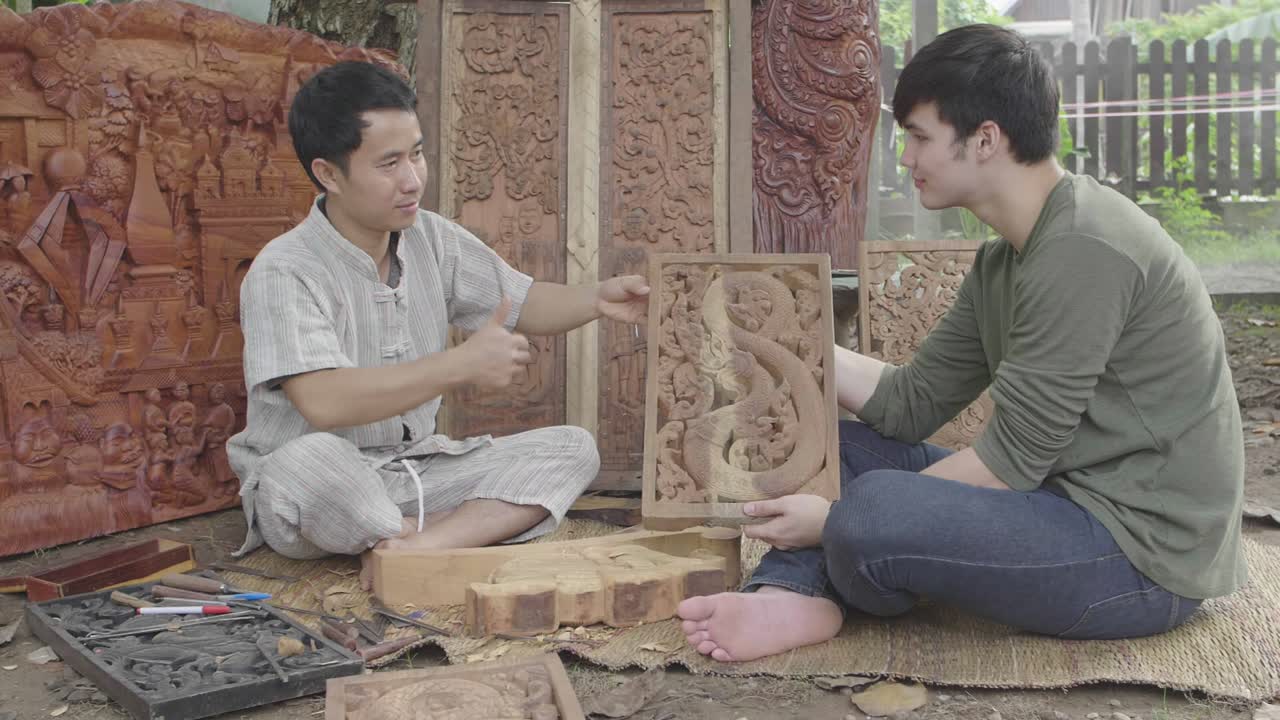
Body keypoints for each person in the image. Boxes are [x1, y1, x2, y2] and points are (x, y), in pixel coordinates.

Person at [677, 24, 1246, 662]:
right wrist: (762, 340)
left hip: (1138, 557)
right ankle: (791, 596)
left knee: (867, 511)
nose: (906, 157)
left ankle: (829, 568)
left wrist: (833, 518)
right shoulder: (1004, 261)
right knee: (835, 448)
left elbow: (1009, 463)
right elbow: (910, 402)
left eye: (919, 136)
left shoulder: (1085, 245)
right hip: (1056, 501)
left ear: (984, 139)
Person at [227, 61, 649, 589]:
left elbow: (521, 302)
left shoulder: (432, 237)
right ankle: (422, 531)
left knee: (572, 447)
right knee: (308, 463)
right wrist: (459, 366)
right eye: (389, 163)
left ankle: (418, 545)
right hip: (322, 484)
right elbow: (324, 401)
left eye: (417, 154)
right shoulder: (285, 268)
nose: (412, 179)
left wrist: (597, 298)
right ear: (329, 173)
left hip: (418, 471)